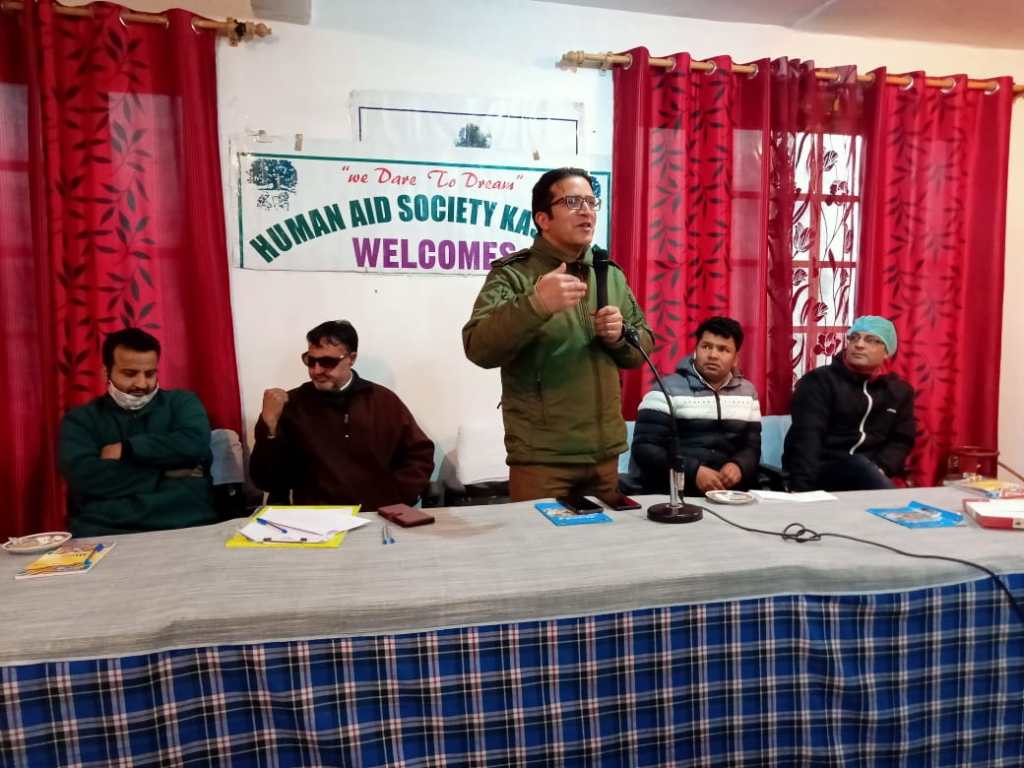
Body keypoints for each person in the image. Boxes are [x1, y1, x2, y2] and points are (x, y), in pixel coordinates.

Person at [462, 167, 654, 501]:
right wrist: (535, 305)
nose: (586, 211)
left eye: (591, 202)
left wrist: (619, 336)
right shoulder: (514, 275)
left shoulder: (608, 273)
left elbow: (644, 347)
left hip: (605, 455)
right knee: (538, 537)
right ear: (543, 219)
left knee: (610, 538)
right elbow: (478, 346)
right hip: (542, 459)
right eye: (572, 202)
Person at [250, 320, 434, 509]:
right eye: (310, 361)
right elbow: (267, 480)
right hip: (314, 516)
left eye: (327, 362)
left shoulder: (382, 401)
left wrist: (395, 500)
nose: (316, 370)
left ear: (351, 358)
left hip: (374, 514)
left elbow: (419, 454)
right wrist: (269, 426)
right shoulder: (292, 404)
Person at [58, 328, 216, 536]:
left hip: (184, 522)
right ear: (106, 372)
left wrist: (127, 449)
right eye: (130, 374)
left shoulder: (182, 402)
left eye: (150, 374)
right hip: (105, 528)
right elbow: (84, 477)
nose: (142, 384)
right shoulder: (80, 419)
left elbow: (195, 446)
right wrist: (163, 471)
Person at [627, 316, 761, 495]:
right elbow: (645, 449)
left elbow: (751, 447)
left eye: (723, 349)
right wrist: (693, 471)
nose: (713, 355)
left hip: (730, 494)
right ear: (695, 350)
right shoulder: (665, 389)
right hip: (674, 493)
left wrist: (739, 465)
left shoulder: (748, 392)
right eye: (706, 347)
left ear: (735, 358)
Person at [783, 315, 916, 492]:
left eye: (871, 340)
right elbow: (807, 440)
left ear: (887, 352)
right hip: (822, 472)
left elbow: (901, 439)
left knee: (864, 467)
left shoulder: (899, 391)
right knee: (859, 464)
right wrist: (802, 492)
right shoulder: (819, 382)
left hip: (871, 475)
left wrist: (882, 468)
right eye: (854, 337)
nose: (859, 344)